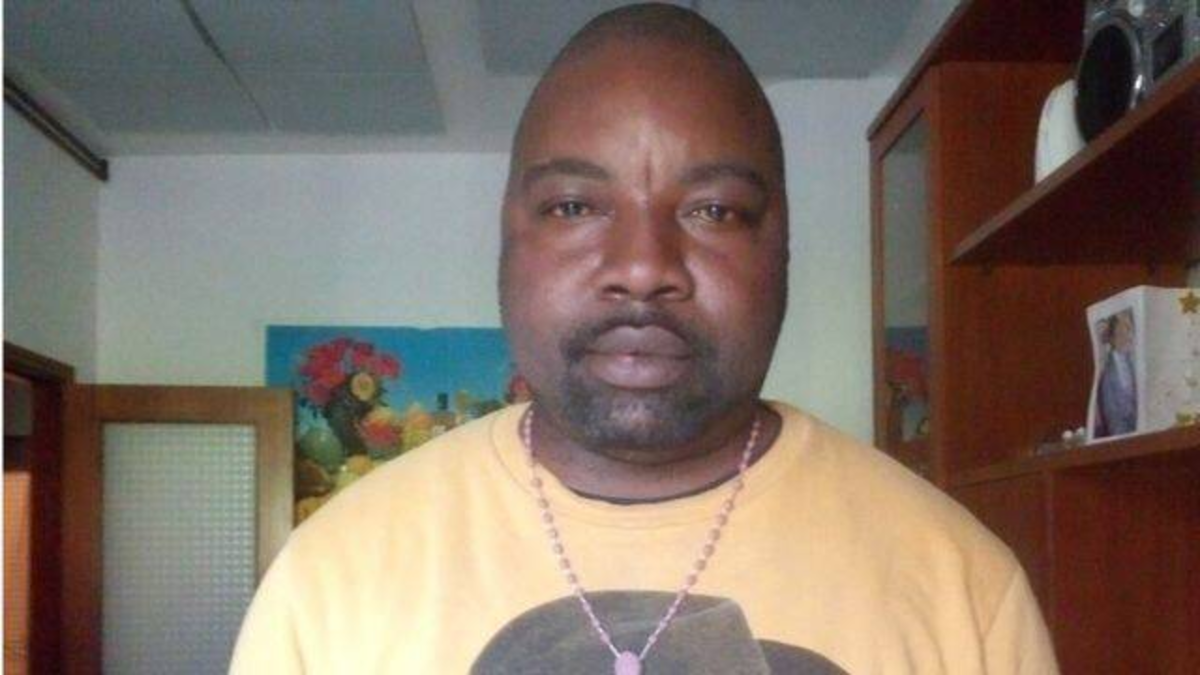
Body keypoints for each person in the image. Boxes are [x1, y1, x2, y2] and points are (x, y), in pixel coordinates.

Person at [231, 5, 1057, 673]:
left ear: (782, 248)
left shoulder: (963, 589)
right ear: (508, 240)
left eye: (713, 211)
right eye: (574, 206)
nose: (641, 267)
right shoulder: (331, 578)